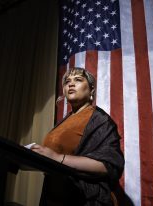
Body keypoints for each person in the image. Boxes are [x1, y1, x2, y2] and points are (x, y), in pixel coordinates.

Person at [31, 67, 124, 206]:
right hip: (54, 196)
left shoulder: (100, 120)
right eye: (67, 81)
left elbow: (109, 166)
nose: (71, 84)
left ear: (91, 89)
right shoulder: (64, 121)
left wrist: (57, 158)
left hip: (84, 198)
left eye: (78, 80)